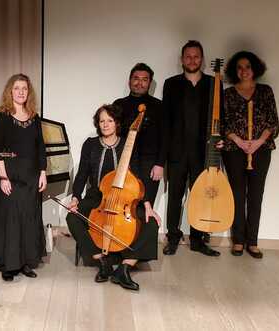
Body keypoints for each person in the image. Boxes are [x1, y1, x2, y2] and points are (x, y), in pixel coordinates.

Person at [66, 104, 161, 291]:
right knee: (72, 218)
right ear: (97, 124)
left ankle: (125, 268)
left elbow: (139, 176)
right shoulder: (90, 144)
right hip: (98, 197)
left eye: (109, 120)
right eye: (102, 121)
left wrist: (148, 204)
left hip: (125, 199)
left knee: (151, 223)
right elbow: (82, 174)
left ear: (117, 123)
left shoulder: (128, 143)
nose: (105, 124)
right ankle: (101, 261)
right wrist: (76, 197)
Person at [162, 40, 222, 257]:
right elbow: (166, 121)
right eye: (188, 56)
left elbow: (219, 117)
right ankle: (173, 237)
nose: (192, 60)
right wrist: (164, 154)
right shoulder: (171, 84)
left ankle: (197, 240)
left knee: (200, 197)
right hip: (176, 152)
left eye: (196, 56)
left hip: (203, 153)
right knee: (175, 197)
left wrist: (219, 140)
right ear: (181, 60)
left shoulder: (213, 84)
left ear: (202, 60)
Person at [222, 51, 279, 259]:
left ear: (254, 68)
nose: (243, 71)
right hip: (234, 151)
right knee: (237, 194)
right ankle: (238, 240)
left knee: (255, 195)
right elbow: (224, 123)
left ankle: (252, 242)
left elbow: (272, 122)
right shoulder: (228, 94)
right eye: (239, 67)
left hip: (260, 150)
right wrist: (239, 141)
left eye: (247, 66)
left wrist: (256, 143)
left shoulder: (265, 91)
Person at [0, 74, 47, 282]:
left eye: (24, 88)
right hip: (11, 177)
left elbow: (40, 147)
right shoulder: (3, 118)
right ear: (10, 91)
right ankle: (8, 264)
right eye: (17, 88)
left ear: (28, 92)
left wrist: (43, 173)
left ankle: (25, 262)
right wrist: (3, 178)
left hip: (31, 177)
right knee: (11, 220)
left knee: (29, 219)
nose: (21, 92)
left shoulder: (34, 117)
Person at [112, 63, 166, 207]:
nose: (139, 83)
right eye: (136, 78)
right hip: (123, 160)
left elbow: (165, 136)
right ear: (130, 81)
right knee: (121, 203)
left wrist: (160, 164)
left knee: (144, 206)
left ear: (149, 83)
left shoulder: (158, 106)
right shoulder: (118, 104)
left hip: (149, 162)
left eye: (144, 79)